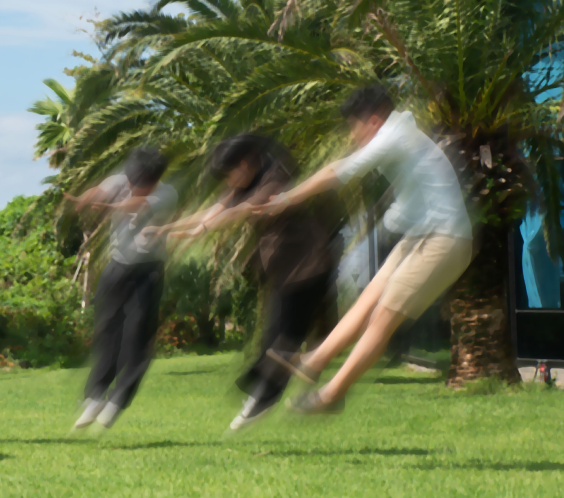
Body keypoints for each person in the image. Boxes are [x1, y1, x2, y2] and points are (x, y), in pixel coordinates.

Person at [255, 85, 473, 413]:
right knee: (369, 298)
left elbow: (339, 171)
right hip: (422, 235)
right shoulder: (402, 136)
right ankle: (315, 361)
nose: (352, 137)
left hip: (445, 238)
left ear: (371, 121)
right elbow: (419, 192)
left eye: (353, 128)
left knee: (383, 315)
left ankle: (331, 395)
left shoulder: (394, 135)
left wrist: (286, 198)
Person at [163, 135, 342, 429]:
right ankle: (266, 395)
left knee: (283, 334)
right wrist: (167, 228)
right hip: (285, 269)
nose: (229, 181)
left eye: (229, 173)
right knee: (279, 334)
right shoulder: (244, 181)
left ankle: (266, 398)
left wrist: (203, 229)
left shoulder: (274, 178)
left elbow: (242, 211)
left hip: (308, 265)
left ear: (245, 163)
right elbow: (215, 209)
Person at [64, 146, 178, 431]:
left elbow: (134, 206)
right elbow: (99, 192)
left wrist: (108, 207)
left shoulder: (166, 194)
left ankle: (118, 400)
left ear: (154, 181)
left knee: (137, 335)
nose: (131, 187)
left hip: (148, 269)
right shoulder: (121, 180)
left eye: (139, 185)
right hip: (117, 266)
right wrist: (82, 199)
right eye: (130, 182)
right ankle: (94, 396)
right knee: (106, 329)